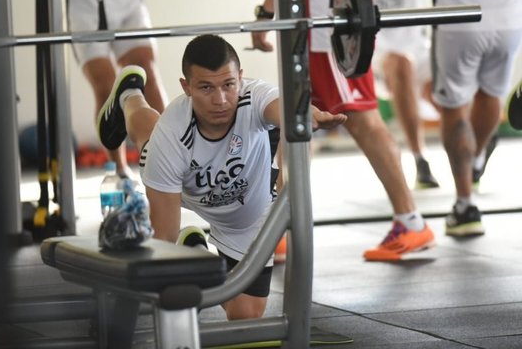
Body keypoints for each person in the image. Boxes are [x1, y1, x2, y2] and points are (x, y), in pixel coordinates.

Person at [96, 34, 347, 320]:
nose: (221, 99)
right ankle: (129, 96)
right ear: (186, 87)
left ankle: (194, 251)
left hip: (245, 218)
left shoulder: (256, 97)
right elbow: (163, 236)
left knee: (246, 315)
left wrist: (308, 116)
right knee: (147, 136)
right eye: (206, 87)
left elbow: (288, 113)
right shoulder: (171, 136)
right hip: (186, 190)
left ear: (240, 78)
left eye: (229, 84)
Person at [251, 0, 435, 261]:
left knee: (362, 119)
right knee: (296, 122)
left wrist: (265, 15)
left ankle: (410, 220)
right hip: (320, 27)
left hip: (328, 32)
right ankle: (283, 226)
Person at [431, 0, 522, 236]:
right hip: (509, 20)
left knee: (454, 106)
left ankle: (465, 205)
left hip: (460, 18)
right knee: (491, 94)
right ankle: (477, 157)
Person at [67, 0, 168, 177]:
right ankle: (120, 171)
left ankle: (172, 156)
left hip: (128, 2)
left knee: (147, 71)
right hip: (85, 6)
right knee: (106, 84)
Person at [370, 0, 440, 189]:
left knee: (441, 93)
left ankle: (476, 153)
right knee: (401, 64)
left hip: (418, 45)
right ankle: (421, 160)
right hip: (378, 50)